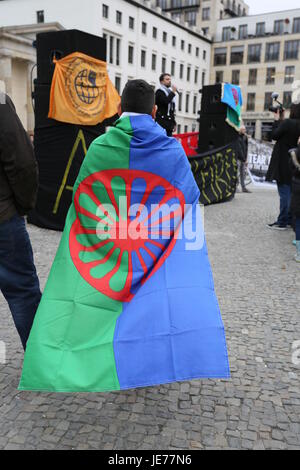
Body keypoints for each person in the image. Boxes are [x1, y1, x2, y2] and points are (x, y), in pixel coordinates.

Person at [19, 79, 229, 393]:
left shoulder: (100, 148)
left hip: (113, 243)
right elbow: (188, 199)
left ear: (119, 107)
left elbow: (82, 198)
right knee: (154, 300)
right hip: (151, 244)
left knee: (105, 305)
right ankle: (149, 356)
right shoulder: (171, 149)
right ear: (156, 111)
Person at [0, 93, 41, 350]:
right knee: (23, 293)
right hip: (3, 217)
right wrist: (24, 206)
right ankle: (40, 360)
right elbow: (22, 162)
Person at [266, 103, 300, 230]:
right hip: (295, 162)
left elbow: (274, 135)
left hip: (282, 162)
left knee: (284, 193)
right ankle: (291, 220)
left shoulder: (288, 123)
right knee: (292, 193)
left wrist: (276, 120)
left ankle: (282, 221)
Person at [289, 142, 300, 262]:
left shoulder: (294, 153)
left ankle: (299, 253)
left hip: (297, 186)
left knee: (298, 222)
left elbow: (291, 170)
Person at [236, 125, 251, 193]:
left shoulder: (245, 138)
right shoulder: (237, 137)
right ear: (240, 130)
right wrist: (243, 158)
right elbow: (238, 149)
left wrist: (246, 159)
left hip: (243, 158)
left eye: (245, 129)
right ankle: (235, 187)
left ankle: (243, 187)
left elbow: (246, 148)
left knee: (243, 174)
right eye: (243, 129)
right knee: (236, 173)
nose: (244, 131)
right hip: (238, 158)